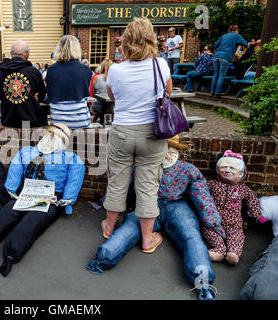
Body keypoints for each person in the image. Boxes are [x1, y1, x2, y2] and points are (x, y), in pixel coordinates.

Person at [86, 135, 225, 300]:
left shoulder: (141, 166)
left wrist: (103, 201)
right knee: (191, 236)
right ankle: (203, 282)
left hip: (150, 204)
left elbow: (121, 187)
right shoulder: (188, 169)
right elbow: (202, 198)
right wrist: (214, 223)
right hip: (178, 207)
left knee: (131, 227)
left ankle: (102, 259)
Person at [0, 123, 85, 276]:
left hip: (51, 196)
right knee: (6, 214)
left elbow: (74, 182)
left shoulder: (71, 159)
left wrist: (66, 200)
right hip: (26, 191)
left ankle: (12, 252)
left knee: (32, 221)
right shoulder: (27, 152)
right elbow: (14, 173)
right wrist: (12, 192)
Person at [102, 18, 170, 253]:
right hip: (153, 131)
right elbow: (167, 93)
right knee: (148, 187)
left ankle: (109, 227)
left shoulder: (116, 70)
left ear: (126, 40)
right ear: (151, 39)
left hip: (122, 131)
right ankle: (148, 240)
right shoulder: (160, 65)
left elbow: (112, 98)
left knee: (117, 182)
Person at [202, 150, 266, 266]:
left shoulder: (243, 189)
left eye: (232, 168)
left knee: (236, 236)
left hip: (234, 224)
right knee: (209, 231)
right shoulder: (211, 184)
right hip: (213, 221)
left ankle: (233, 253)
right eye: (224, 167)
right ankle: (219, 250)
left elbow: (252, 201)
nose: (227, 171)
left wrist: (258, 216)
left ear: (240, 173)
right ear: (218, 169)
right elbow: (199, 193)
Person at [45, 35, 93, 129]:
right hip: (81, 122)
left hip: (58, 124)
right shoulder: (86, 70)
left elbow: (50, 96)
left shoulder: (51, 70)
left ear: (59, 49)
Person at [0, 40, 47, 128]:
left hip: (8, 120)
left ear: (11, 53)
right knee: (26, 139)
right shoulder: (33, 72)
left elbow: (1, 94)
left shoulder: (1, 72)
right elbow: (42, 94)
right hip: (29, 121)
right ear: (27, 55)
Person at [210, 25, 248, 97]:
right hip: (225, 57)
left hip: (216, 56)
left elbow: (215, 45)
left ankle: (212, 91)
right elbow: (245, 44)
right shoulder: (237, 36)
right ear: (236, 30)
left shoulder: (224, 35)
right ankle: (217, 93)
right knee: (221, 75)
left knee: (215, 75)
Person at [90, 59, 113, 124]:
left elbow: (93, 93)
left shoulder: (96, 78)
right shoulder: (114, 78)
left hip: (97, 105)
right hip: (112, 107)